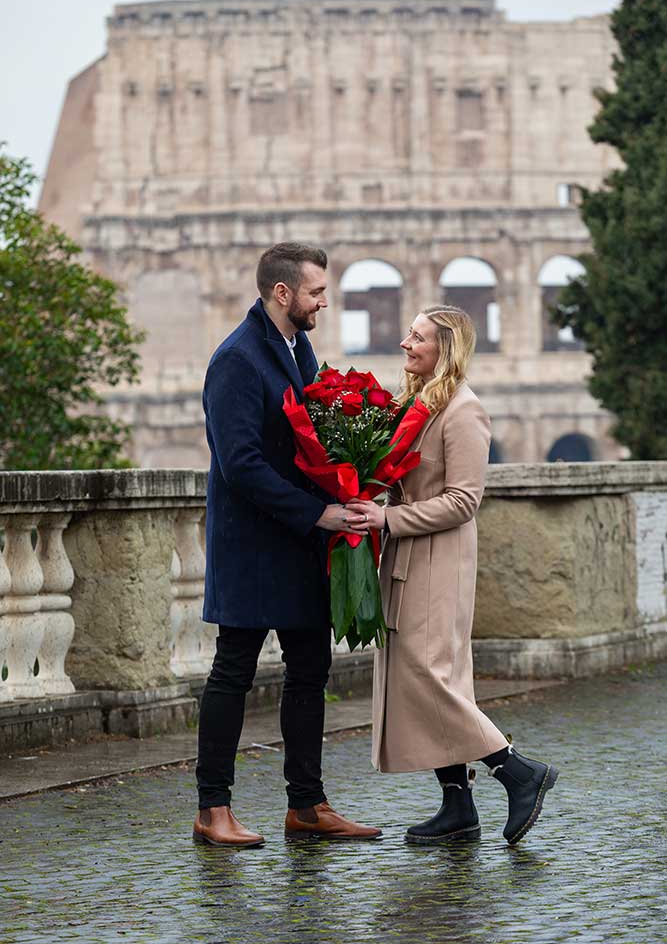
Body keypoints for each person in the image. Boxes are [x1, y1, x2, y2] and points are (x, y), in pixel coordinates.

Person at [347, 306, 558, 846]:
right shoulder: (419, 404)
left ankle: (517, 772)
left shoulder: (463, 411)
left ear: (446, 348)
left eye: (416, 337)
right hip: (409, 558)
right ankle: (457, 808)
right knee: (435, 677)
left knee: (430, 677)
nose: (404, 343)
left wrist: (388, 516)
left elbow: (464, 501)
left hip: (438, 562)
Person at [193, 242, 381, 847]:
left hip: (300, 544)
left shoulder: (299, 349)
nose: (323, 302)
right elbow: (241, 464)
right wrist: (318, 513)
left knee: (309, 672)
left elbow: (314, 439)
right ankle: (212, 809)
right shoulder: (237, 360)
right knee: (232, 673)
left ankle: (307, 805)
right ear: (283, 293)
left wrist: (348, 487)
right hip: (253, 545)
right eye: (316, 292)